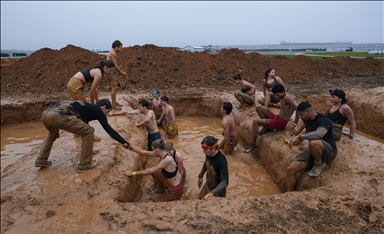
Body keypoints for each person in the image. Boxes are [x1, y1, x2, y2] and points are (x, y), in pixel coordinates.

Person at [34, 99, 130, 172]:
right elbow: (109, 130)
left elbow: (79, 128)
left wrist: (89, 150)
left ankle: (41, 159)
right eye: (107, 112)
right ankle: (85, 163)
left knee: (52, 134)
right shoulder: (98, 110)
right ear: (103, 107)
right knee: (89, 131)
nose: (106, 115)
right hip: (58, 115)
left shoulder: (87, 108)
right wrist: (124, 142)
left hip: (45, 114)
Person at [286, 102, 337, 191]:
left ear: (308, 112)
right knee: (290, 169)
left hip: (328, 151)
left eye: (301, 115)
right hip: (312, 151)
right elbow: (297, 130)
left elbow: (319, 134)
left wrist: (301, 137)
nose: (300, 117)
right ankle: (288, 194)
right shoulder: (305, 119)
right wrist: (292, 137)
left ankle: (319, 164)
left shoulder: (323, 120)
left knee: (313, 142)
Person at [244, 84, 299, 152]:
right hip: (277, 117)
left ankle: (253, 143)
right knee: (259, 108)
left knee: (255, 122)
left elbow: (298, 109)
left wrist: (294, 124)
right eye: (275, 95)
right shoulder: (282, 97)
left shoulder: (288, 98)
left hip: (281, 123)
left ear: (283, 92)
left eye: (277, 95)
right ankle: (267, 127)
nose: (276, 96)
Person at [198, 136, 229, 200]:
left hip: (217, 191)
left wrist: (211, 193)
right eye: (203, 149)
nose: (203, 152)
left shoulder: (221, 161)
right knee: (199, 200)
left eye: (206, 150)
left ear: (214, 148)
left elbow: (225, 182)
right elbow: (206, 163)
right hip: (208, 184)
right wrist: (200, 176)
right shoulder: (209, 154)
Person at [106, 40, 128, 110]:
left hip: (110, 71)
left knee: (115, 87)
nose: (121, 50)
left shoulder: (112, 52)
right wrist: (122, 73)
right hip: (109, 72)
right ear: (116, 47)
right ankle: (113, 105)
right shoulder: (113, 53)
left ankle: (114, 102)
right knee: (114, 87)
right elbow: (115, 65)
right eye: (120, 48)